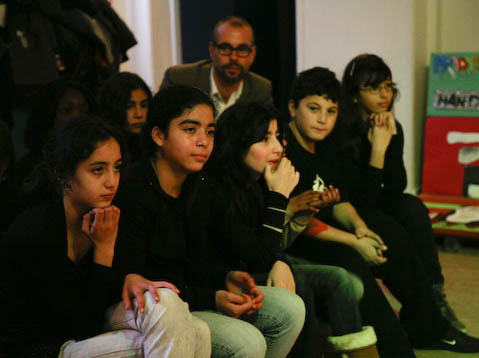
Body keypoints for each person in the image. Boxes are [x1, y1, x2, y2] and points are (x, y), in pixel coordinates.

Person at [284, 66, 479, 355]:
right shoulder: (285, 147)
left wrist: (360, 228)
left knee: (390, 231)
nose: (322, 119)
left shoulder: (326, 143)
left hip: (330, 226)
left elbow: (345, 199)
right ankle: (397, 350)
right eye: (314, 109)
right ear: (293, 107)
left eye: (330, 111)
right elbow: (301, 221)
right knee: (351, 258)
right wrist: (355, 241)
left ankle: (429, 326)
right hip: (296, 236)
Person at [113, 85, 305, 358]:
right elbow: (147, 280)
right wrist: (212, 296)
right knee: (247, 342)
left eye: (210, 131)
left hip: (192, 294)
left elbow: (200, 263)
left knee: (290, 308)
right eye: (190, 130)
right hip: (154, 306)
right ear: (158, 135)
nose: (204, 141)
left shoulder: (200, 185)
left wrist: (226, 279)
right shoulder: (136, 189)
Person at [0, 115, 211, 357]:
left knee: (191, 324)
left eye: (117, 168)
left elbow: (109, 291)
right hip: (43, 347)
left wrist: (128, 276)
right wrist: (104, 251)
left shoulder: (108, 213)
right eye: (98, 170)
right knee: (188, 333)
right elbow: (79, 327)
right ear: (64, 176)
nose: (112, 182)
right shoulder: (36, 231)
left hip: (85, 327)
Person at [203, 102, 379, 358]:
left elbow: (270, 247)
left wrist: (281, 258)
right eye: (264, 139)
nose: (277, 147)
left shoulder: (258, 178)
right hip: (227, 278)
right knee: (303, 285)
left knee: (339, 278)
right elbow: (257, 258)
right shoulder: (218, 188)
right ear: (238, 143)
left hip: (256, 264)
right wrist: (280, 197)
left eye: (278, 137)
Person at [337, 53, 466, 333]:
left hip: (371, 199)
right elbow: (362, 198)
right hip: (347, 207)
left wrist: (389, 141)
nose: (384, 95)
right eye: (373, 88)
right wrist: (378, 151)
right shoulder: (339, 130)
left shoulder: (390, 124)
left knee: (412, 206)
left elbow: (396, 187)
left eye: (387, 86)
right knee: (392, 225)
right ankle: (424, 303)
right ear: (355, 95)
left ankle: (435, 294)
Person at [160, 16, 273, 118]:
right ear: (212, 50)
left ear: (252, 54)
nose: (233, 57)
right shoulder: (179, 79)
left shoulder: (261, 89)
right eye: (225, 48)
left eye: (242, 49)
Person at [13, 80, 97, 186]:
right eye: (66, 110)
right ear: (47, 117)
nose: (78, 117)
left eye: (85, 111)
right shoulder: (29, 172)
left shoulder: (99, 158)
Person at [98, 71, 152, 163]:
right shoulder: (100, 147)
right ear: (114, 108)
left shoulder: (154, 144)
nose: (139, 114)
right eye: (129, 106)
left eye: (144, 105)